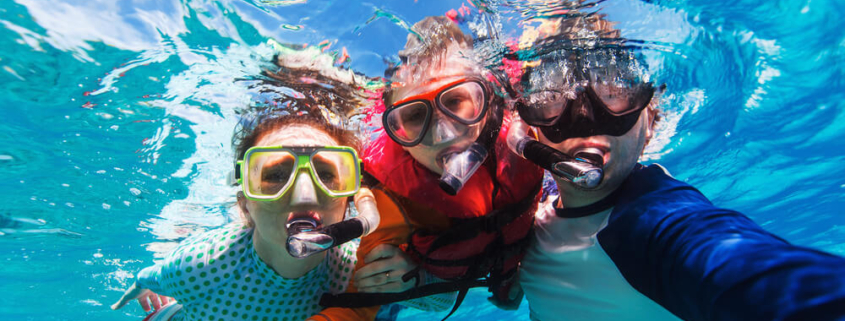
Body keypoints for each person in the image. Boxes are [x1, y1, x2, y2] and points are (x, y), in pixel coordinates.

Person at [509, 20, 845, 321]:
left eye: (614, 92)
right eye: (552, 97)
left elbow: (743, 269)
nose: (585, 118)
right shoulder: (529, 210)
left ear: (651, 121)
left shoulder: (651, 221)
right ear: (531, 130)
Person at [313, 16, 544, 320]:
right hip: (438, 284)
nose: (443, 134)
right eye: (414, 116)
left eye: (456, 101)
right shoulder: (396, 201)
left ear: (486, 100)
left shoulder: (530, 140)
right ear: (397, 135)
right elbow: (359, 304)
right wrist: (419, 281)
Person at [111, 112, 372, 321]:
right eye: (276, 175)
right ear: (245, 206)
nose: (305, 194)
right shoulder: (201, 265)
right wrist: (144, 284)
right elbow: (151, 276)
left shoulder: (360, 271)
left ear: (348, 202)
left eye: (325, 174)